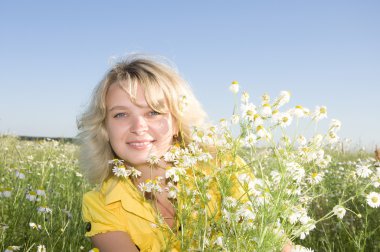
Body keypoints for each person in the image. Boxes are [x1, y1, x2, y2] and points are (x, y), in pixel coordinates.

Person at [78, 54, 292, 252]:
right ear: (104, 129)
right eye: (121, 114)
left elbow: (277, 244)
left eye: (153, 112)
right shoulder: (102, 204)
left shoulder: (223, 168)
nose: (138, 126)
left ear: (177, 123)